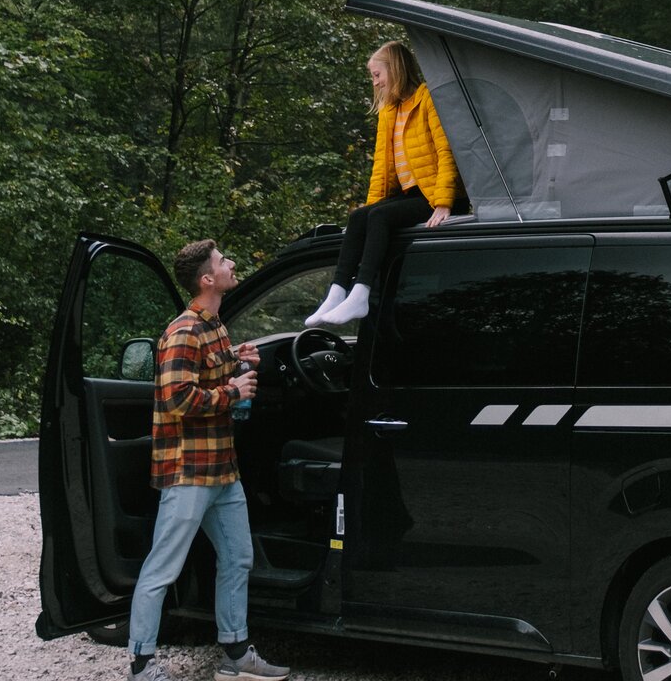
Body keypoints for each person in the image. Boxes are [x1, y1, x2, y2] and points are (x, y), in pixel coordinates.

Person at [128, 239, 289, 681]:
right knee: (163, 566)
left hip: (222, 469)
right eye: (222, 262)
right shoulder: (183, 331)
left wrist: (238, 364)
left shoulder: (215, 327)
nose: (230, 264)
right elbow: (177, 397)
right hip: (188, 472)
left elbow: (211, 381)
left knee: (237, 558)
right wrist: (232, 391)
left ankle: (235, 656)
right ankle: (142, 664)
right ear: (206, 279)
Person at [305, 41, 465, 327]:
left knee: (379, 216)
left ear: (396, 69)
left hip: (432, 194)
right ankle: (337, 291)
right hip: (410, 195)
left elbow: (445, 151)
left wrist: (444, 202)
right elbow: (381, 167)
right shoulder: (390, 111)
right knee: (360, 216)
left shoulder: (426, 98)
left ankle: (361, 293)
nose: (375, 82)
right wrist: (371, 207)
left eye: (378, 74)